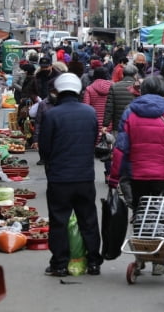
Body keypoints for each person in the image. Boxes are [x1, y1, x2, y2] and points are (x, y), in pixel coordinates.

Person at [108, 75, 164, 274]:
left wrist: (114, 176)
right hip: (162, 177)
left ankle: (141, 256)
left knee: (140, 215)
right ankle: (159, 258)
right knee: (160, 217)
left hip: (136, 175)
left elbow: (120, 148)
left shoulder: (130, 112)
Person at [39, 73, 103, 277]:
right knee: (88, 219)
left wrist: (51, 165)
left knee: (59, 221)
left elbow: (45, 148)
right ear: (78, 90)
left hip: (59, 177)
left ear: (58, 91)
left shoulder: (52, 115)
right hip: (85, 176)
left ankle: (59, 263)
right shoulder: (90, 113)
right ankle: (93, 261)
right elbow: (93, 140)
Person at [83, 67, 113, 182]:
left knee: (90, 150)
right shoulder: (113, 87)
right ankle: (109, 174)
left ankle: (88, 174)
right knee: (108, 149)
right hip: (108, 123)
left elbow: (86, 106)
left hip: (94, 124)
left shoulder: (89, 89)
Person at [103, 64, 138, 133]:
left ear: (123, 74)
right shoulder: (139, 87)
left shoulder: (114, 87)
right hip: (135, 125)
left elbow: (109, 108)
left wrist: (105, 125)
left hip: (118, 125)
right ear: (135, 75)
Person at [32, 79, 60, 166]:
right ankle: (43, 158)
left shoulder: (62, 103)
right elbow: (38, 122)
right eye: (53, 91)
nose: (55, 93)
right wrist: (36, 139)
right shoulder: (43, 104)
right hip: (45, 135)